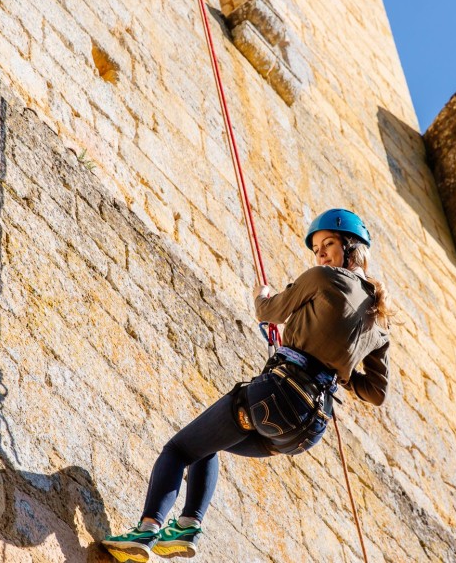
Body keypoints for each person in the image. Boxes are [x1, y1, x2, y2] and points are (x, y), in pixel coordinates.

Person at [102, 208, 391, 562]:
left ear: (351, 249)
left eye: (327, 244)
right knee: (208, 445)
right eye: (317, 249)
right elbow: (376, 393)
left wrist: (263, 295)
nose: (320, 254)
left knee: (178, 450)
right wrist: (341, 371)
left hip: (276, 396)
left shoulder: (324, 278)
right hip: (305, 431)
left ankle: (147, 531)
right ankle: (188, 526)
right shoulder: (378, 325)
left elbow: (268, 311)